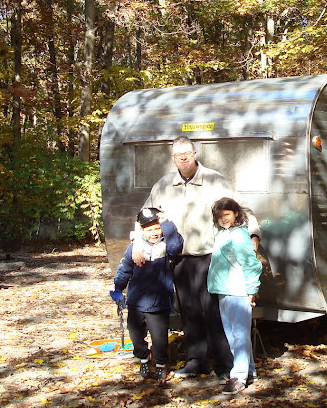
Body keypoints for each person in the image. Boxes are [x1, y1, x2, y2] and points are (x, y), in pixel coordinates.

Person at [132, 136, 261, 383]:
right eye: (177, 154)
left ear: (195, 154)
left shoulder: (215, 181)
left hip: (212, 258)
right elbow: (145, 217)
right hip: (179, 260)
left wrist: (253, 235)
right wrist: (138, 241)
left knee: (214, 312)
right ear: (173, 158)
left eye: (186, 153)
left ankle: (224, 364)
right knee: (189, 312)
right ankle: (196, 362)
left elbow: (242, 209)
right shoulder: (163, 185)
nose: (182, 158)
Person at [111, 207, 183, 381]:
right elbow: (125, 269)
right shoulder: (134, 249)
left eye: (157, 228)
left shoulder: (166, 248)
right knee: (135, 335)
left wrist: (166, 222)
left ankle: (160, 364)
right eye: (149, 229)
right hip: (136, 302)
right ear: (141, 231)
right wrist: (118, 288)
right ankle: (144, 358)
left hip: (158, 303)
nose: (154, 233)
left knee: (159, 339)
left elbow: (177, 244)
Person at [207, 197, 262, 395]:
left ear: (236, 214)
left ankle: (238, 376)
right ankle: (250, 371)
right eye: (220, 216)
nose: (224, 219)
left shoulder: (239, 236)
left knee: (239, 335)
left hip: (238, 292)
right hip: (224, 290)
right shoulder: (223, 234)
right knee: (233, 336)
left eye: (227, 215)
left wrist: (251, 290)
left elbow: (251, 263)